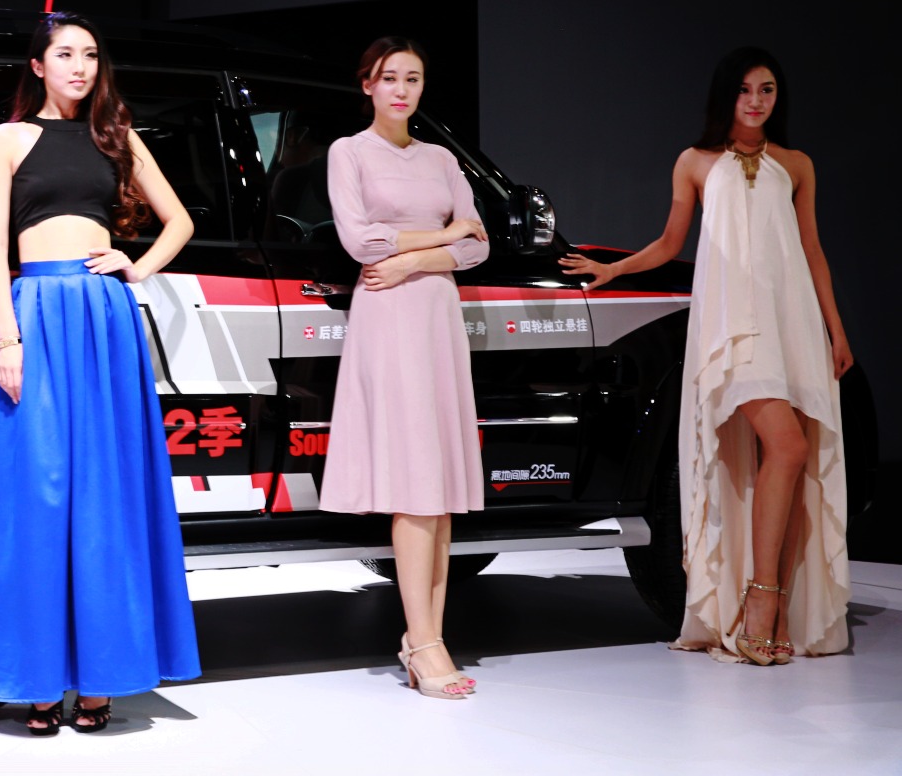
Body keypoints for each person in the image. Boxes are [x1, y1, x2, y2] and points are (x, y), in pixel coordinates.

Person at [560, 47, 851, 664]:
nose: (756, 101)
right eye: (745, 89)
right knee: (788, 448)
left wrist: (836, 329)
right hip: (731, 327)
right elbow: (670, 244)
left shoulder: (796, 164)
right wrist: (613, 269)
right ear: (726, 95)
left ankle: (776, 611)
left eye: (767, 90)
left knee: (791, 462)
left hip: (792, 321)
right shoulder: (694, 162)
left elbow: (812, 250)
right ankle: (759, 602)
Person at [0, 12, 201, 734]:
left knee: (105, 495)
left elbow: (180, 221)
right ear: (38, 66)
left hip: (102, 316)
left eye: (89, 54)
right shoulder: (7, 139)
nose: (80, 66)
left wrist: (136, 267)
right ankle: (38, 680)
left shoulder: (115, 136)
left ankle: (100, 680)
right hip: (35, 315)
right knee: (39, 494)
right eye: (65, 54)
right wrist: (8, 339)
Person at [318, 38, 489, 699]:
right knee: (416, 485)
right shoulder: (349, 152)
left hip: (434, 313)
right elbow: (359, 241)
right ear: (367, 84)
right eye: (389, 77)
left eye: (412, 78)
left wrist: (418, 258)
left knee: (438, 492)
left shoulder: (442, 159)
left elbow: (478, 244)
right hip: (388, 319)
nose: (401, 89)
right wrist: (443, 237)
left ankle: (428, 639)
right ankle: (422, 643)